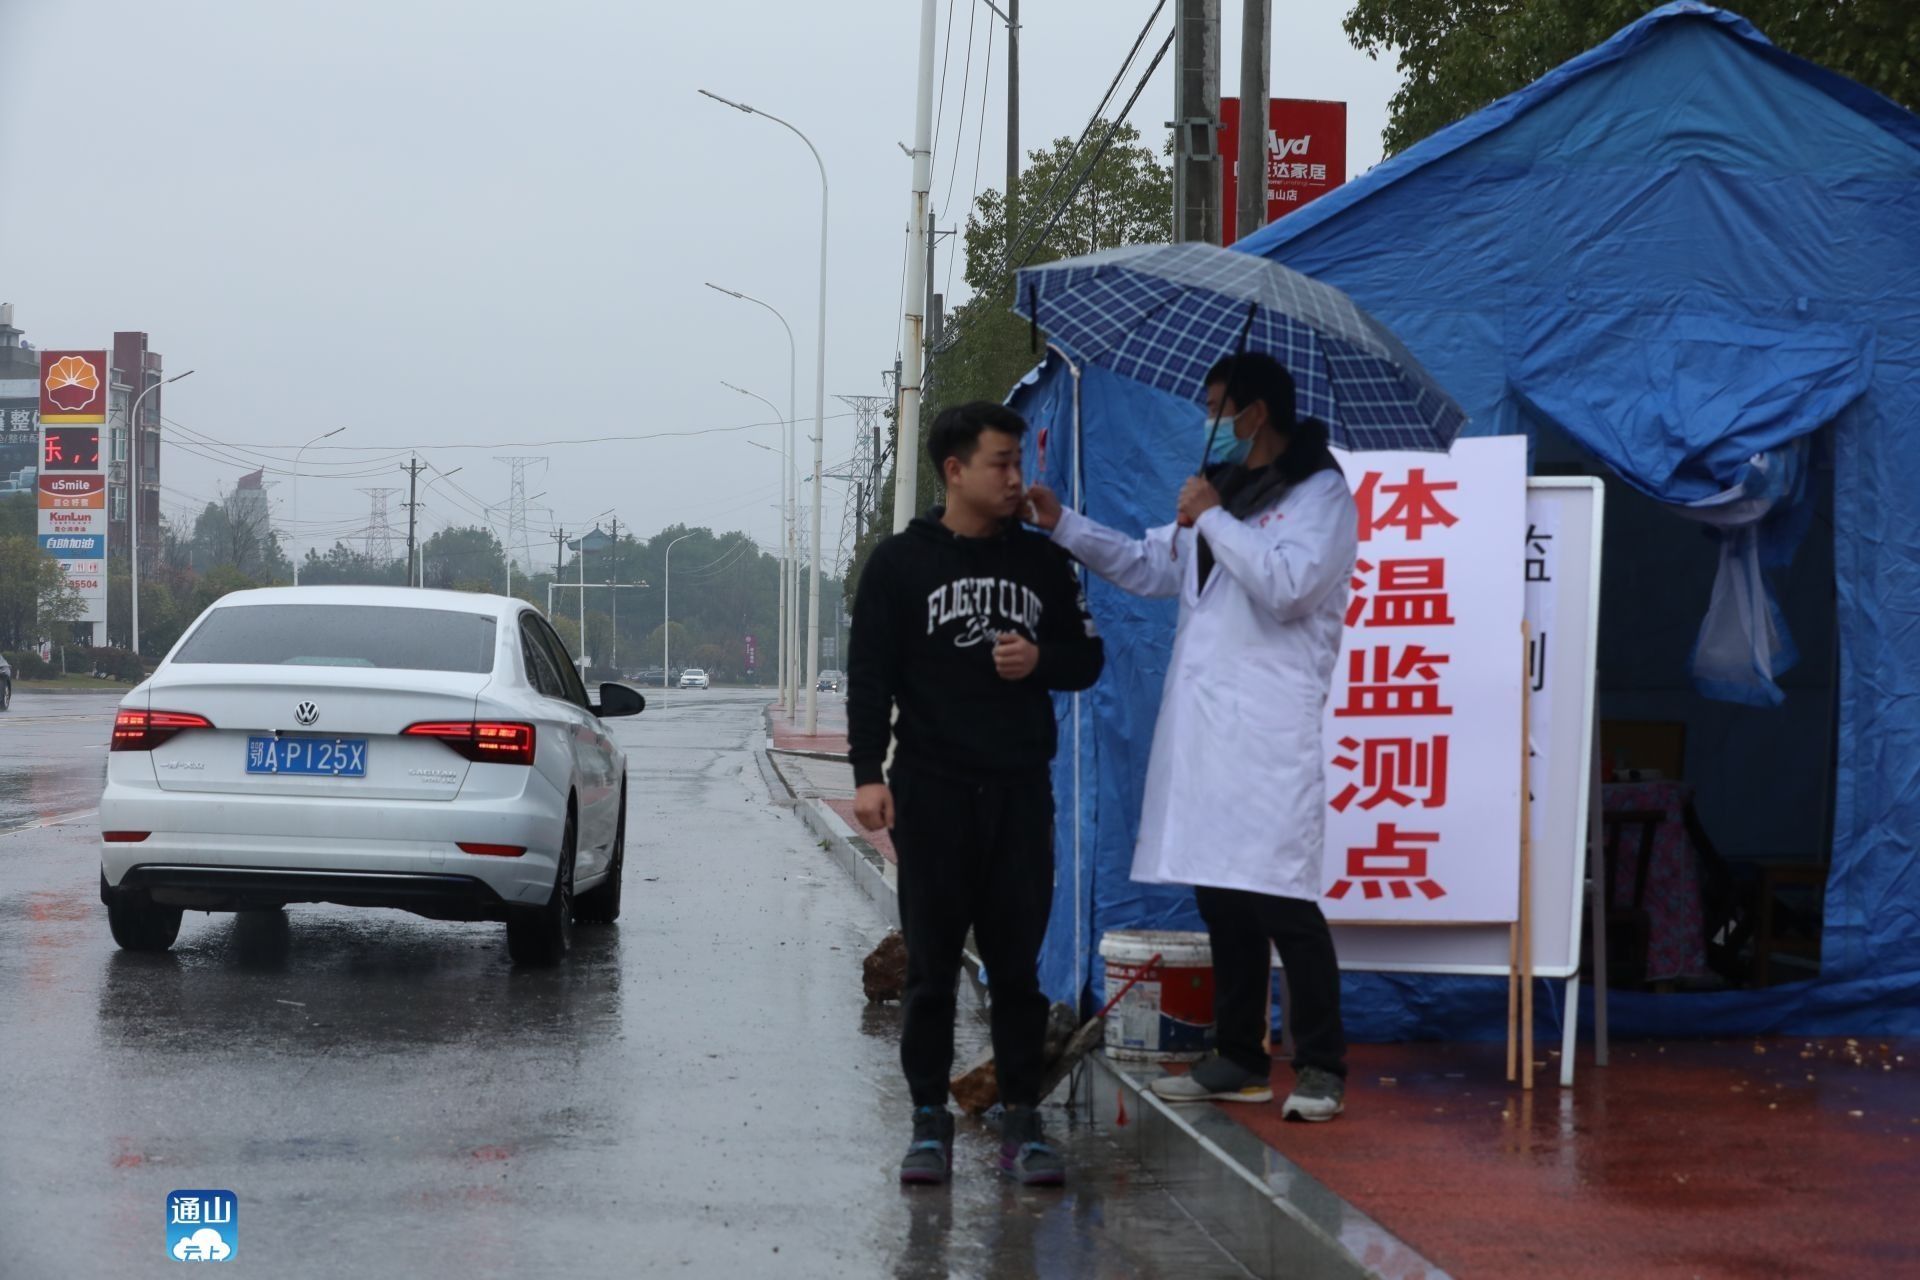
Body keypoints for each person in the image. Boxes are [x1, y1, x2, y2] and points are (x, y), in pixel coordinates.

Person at [1026, 352, 1357, 1122]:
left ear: (1255, 412)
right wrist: (1064, 524)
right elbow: (1149, 566)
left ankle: (1321, 1064)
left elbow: (1289, 587)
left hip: (1270, 730)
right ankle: (1239, 1056)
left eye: (1216, 408)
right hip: (1205, 728)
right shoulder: (1227, 491)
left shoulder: (1321, 493)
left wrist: (1211, 516)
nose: (1209, 422)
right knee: (1222, 895)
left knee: (1282, 898)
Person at [847, 401, 1105, 1185]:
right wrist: (867, 773)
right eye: (1001, 462)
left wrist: (1041, 661)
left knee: (1017, 970)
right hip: (931, 792)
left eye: (1019, 461)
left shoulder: (1042, 562)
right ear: (955, 470)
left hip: (1020, 792)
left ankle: (1023, 1123)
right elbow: (869, 677)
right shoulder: (900, 564)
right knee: (930, 969)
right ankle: (929, 1123)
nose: (1016, 477)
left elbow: (1087, 658)